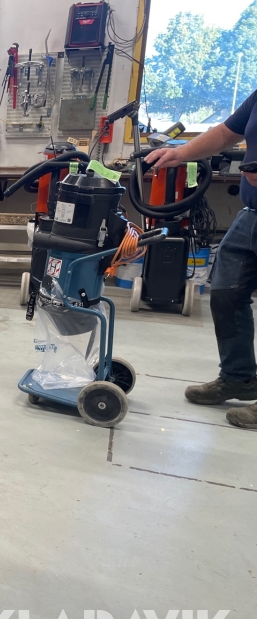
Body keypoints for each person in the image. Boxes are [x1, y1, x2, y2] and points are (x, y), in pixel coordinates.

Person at [148, 90, 257, 429]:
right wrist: (179, 153)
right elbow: (225, 133)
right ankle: (239, 377)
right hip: (252, 213)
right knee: (226, 293)